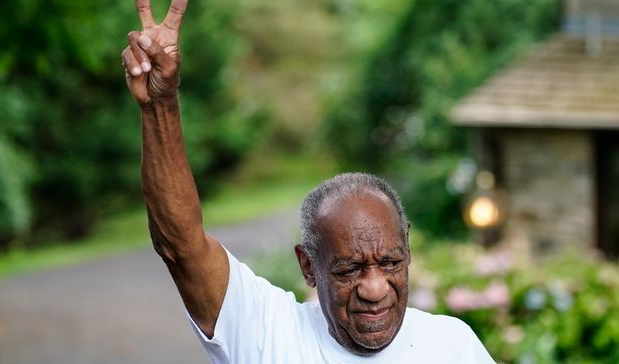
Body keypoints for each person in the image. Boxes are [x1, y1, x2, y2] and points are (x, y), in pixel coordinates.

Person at [122, 1, 496, 362]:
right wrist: (160, 106)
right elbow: (180, 247)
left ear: (408, 250)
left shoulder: (452, 345)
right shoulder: (266, 331)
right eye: (349, 269)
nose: (375, 288)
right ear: (307, 266)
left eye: (390, 262)